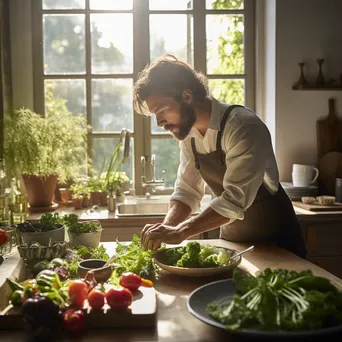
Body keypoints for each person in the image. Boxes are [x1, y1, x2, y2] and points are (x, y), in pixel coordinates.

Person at [133, 54, 307, 258]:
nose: (159, 123)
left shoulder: (242, 127)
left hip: (277, 244)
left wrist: (180, 232)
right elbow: (187, 192)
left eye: (162, 111)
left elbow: (234, 200)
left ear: (187, 97)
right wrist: (164, 229)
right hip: (233, 242)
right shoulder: (189, 136)